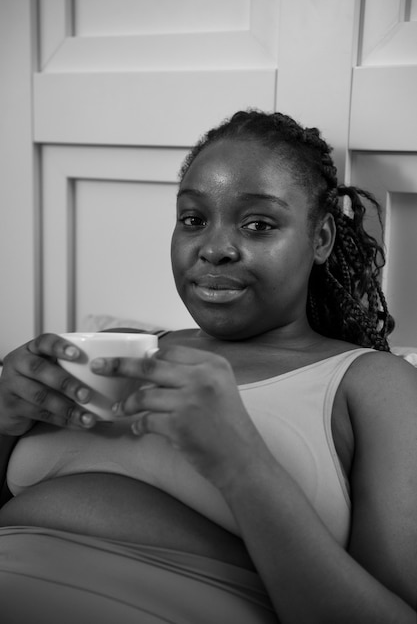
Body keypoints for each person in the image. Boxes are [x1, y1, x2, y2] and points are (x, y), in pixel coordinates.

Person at [0, 110, 415, 623]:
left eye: (259, 224)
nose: (213, 249)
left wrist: (241, 462)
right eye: (193, 220)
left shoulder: (373, 386)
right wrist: (6, 416)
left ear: (321, 239)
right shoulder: (114, 350)